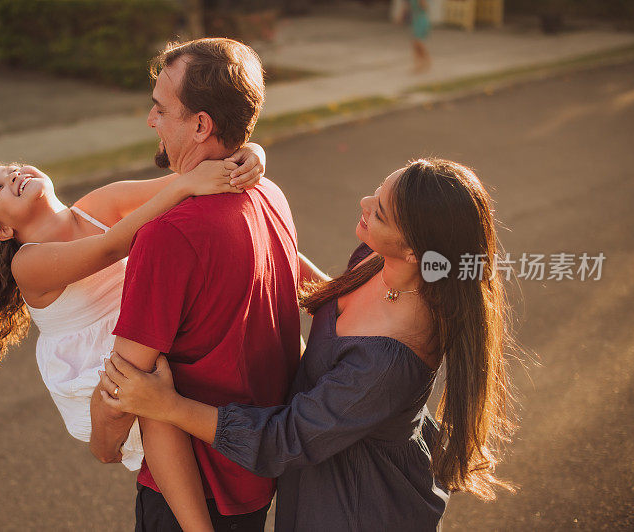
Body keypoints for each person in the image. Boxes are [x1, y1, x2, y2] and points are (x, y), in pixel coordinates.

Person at [99, 158, 520, 531]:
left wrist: (167, 406)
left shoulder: (390, 361)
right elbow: (320, 291)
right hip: (320, 465)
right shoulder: (379, 260)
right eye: (378, 190)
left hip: (356, 505)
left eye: (380, 211)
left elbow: (286, 440)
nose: (364, 202)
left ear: (414, 251)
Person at [0, 144, 267, 531]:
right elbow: (111, 245)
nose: (14, 174)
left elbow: (183, 181)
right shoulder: (27, 263)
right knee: (146, 393)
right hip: (95, 359)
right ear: (2, 230)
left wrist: (251, 152)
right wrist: (187, 186)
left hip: (142, 325)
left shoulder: (97, 203)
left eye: (13, 166)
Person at [87, 38, 302, 532]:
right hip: (254, 476)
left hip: (193, 496)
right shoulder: (269, 192)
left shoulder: (169, 236)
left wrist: (103, 443)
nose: (151, 120)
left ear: (201, 124)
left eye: (161, 109)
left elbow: (128, 381)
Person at [403, 0, 431, 73]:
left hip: (421, 20)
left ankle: (426, 61)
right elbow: (407, 7)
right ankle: (419, 64)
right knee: (414, 44)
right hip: (415, 20)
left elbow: (425, 7)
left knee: (418, 42)